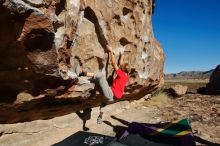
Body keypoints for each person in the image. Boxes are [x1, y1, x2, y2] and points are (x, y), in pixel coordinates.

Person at [72, 45, 131, 124]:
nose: (120, 66)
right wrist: (122, 54)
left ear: (122, 69)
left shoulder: (121, 74)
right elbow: (121, 64)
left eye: (121, 67)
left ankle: (81, 73)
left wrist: (110, 51)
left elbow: (114, 64)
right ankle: (100, 117)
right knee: (104, 104)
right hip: (113, 97)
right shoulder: (126, 76)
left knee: (101, 76)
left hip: (110, 93)